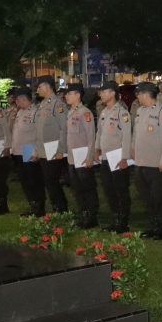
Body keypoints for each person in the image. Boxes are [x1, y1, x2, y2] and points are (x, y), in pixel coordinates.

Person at [133, 82, 162, 239]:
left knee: (158, 197)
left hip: (156, 163)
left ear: (146, 94)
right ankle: (152, 225)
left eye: (139, 94)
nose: (137, 97)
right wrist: (133, 149)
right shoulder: (140, 111)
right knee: (146, 196)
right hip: (140, 161)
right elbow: (136, 134)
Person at [95, 82, 133, 232]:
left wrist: (125, 158)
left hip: (117, 157)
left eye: (104, 92)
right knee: (109, 189)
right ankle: (115, 218)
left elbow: (127, 136)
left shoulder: (122, 113)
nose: (101, 94)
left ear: (112, 93)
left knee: (120, 190)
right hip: (105, 158)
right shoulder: (104, 112)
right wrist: (97, 148)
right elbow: (99, 132)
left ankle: (123, 221)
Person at [64, 84, 99, 229]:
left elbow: (91, 136)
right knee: (77, 188)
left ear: (78, 95)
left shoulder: (85, 113)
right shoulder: (70, 112)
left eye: (69, 93)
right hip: (73, 157)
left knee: (87, 188)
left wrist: (90, 156)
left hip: (83, 156)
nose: (66, 96)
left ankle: (91, 216)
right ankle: (83, 213)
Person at [33, 76, 69, 213]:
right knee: (48, 181)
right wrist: (36, 149)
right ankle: (57, 206)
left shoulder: (58, 104)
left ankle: (60, 208)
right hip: (43, 149)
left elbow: (64, 128)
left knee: (52, 180)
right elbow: (38, 129)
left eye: (39, 87)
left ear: (47, 86)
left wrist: (61, 149)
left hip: (53, 148)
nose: (37, 90)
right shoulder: (42, 104)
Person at [12, 86, 45, 217]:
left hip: (30, 149)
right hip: (19, 150)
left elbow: (40, 133)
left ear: (24, 98)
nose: (16, 101)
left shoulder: (35, 112)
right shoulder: (20, 112)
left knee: (33, 179)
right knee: (24, 179)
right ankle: (32, 204)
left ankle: (39, 206)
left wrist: (37, 149)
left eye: (17, 99)